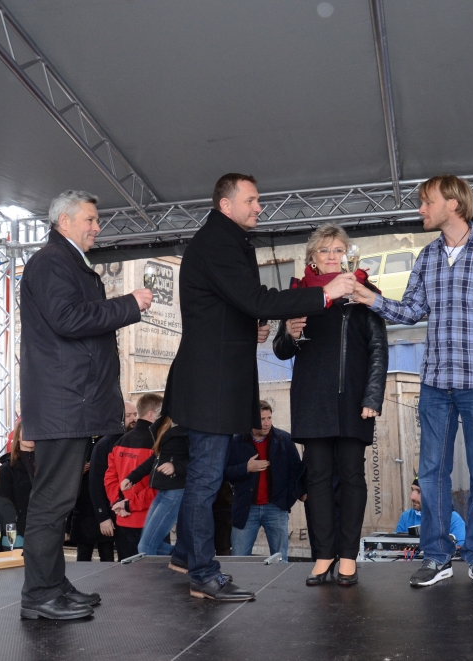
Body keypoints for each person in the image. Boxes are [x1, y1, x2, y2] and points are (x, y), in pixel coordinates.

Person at [165, 173, 356, 602]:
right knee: (206, 479)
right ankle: (202, 574)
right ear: (226, 204)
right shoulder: (218, 243)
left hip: (214, 379)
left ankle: (184, 555)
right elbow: (255, 298)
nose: (259, 207)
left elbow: (228, 304)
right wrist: (324, 295)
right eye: (251, 200)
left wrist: (244, 328)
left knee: (206, 475)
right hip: (210, 383)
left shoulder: (224, 241)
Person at [352, 175, 473, 589]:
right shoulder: (427, 256)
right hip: (436, 383)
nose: (420, 209)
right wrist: (371, 299)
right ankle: (436, 556)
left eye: (426, 201)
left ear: (453, 204)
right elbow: (412, 310)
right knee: (432, 473)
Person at [18, 190, 152, 620]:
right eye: (90, 219)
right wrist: (128, 305)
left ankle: (53, 584)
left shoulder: (65, 262)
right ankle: (39, 595)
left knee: (58, 501)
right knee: (51, 502)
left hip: (70, 401)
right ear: (65, 221)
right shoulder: (51, 262)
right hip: (63, 402)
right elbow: (68, 319)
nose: (97, 226)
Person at [274, 224, 388, 585]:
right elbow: (280, 349)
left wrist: (372, 396)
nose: (331, 256)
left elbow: (378, 349)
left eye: (338, 250)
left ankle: (348, 556)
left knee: (353, 477)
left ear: (348, 255)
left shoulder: (365, 293)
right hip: (312, 400)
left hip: (355, 401)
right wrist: (290, 335)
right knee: (318, 478)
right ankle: (324, 555)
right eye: (324, 250)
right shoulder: (299, 293)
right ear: (312, 257)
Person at [224, 401, 306, 564]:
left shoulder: (283, 439)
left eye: (269, 418)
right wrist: (246, 468)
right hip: (246, 509)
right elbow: (224, 472)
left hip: (276, 508)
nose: (267, 423)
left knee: (280, 560)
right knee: (238, 560)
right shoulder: (236, 441)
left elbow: (296, 470)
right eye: (262, 419)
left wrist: (287, 500)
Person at [122, 416, 189, 556]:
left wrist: (175, 466)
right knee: (150, 545)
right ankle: (186, 558)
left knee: (145, 546)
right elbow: (156, 457)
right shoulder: (166, 422)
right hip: (163, 489)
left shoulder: (189, 426)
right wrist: (132, 477)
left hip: (175, 490)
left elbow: (200, 460)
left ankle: (188, 559)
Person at [90, 398, 147, 562]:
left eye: (135, 414)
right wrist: (103, 516)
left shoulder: (146, 439)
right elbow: (96, 484)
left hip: (142, 512)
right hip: (119, 514)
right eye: (129, 416)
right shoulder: (105, 444)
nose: (134, 419)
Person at [106, 397, 159, 561]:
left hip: (123, 518)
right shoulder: (158, 444)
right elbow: (158, 486)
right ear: (151, 414)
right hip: (150, 518)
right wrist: (129, 504)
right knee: (154, 572)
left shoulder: (120, 442)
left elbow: (110, 478)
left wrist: (118, 502)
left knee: (127, 571)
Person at [72, 435, 116, 563]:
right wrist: (78, 470)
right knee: (84, 554)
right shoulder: (79, 441)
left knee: (107, 552)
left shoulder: (107, 441)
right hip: (83, 505)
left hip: (104, 501)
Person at [396, 477, 466, 546]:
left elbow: (460, 549)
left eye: (419, 491)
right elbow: (394, 547)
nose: (412, 497)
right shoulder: (406, 517)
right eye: (412, 490)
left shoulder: (454, 520)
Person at [0, 423, 34, 550]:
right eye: (27, 431)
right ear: (17, 436)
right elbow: (4, 504)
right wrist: (22, 524)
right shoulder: (7, 468)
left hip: (43, 531)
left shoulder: (46, 466)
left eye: (33, 431)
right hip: (16, 534)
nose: (30, 435)